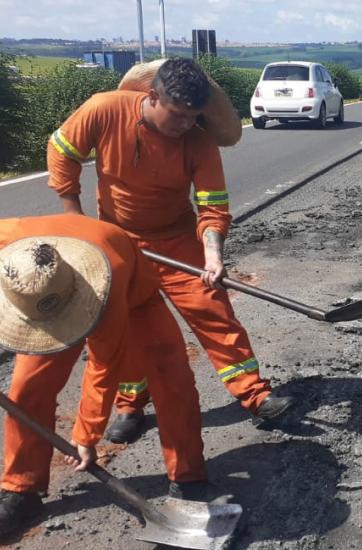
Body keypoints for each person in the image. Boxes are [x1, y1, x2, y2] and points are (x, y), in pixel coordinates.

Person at [47, 57, 293, 443]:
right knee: (125, 327)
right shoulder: (104, 108)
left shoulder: (198, 139)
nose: (184, 125)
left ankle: (255, 394)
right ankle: (132, 405)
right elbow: (62, 151)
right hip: (117, 240)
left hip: (177, 240)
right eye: (177, 115)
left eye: (193, 116)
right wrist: (75, 219)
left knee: (213, 310)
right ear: (152, 96)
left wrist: (213, 255)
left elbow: (212, 205)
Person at [0, 213, 211, 536]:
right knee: (28, 389)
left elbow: (103, 367)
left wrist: (86, 437)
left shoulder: (108, 283)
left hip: (133, 297)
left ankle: (188, 477)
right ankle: (21, 490)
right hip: (46, 312)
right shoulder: (8, 243)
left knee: (171, 377)